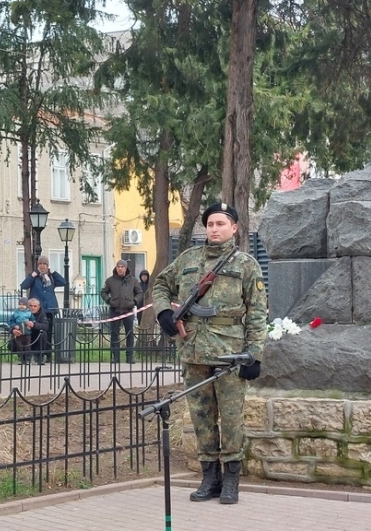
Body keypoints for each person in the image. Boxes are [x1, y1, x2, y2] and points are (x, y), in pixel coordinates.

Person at [152, 202, 266, 505]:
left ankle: (231, 479)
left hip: (229, 354)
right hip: (193, 352)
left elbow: (257, 313)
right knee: (201, 418)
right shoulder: (188, 259)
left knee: (230, 419)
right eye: (210, 224)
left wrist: (254, 354)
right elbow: (161, 284)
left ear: (234, 228)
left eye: (220, 223)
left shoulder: (246, 264)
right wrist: (164, 313)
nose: (214, 229)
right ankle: (209, 477)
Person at [20, 255, 64, 364]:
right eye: (40, 264)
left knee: (48, 333)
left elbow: (63, 282)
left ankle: (47, 355)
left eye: (45, 264)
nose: (42, 266)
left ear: (48, 266)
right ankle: (33, 354)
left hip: (50, 309)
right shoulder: (34, 278)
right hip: (36, 310)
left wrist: (53, 272)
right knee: (34, 332)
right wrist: (32, 275)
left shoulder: (51, 277)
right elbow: (24, 285)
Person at [100, 259, 143, 364]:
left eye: (122, 267)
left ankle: (130, 357)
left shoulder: (133, 281)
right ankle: (115, 357)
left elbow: (140, 293)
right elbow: (103, 292)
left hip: (128, 310)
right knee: (114, 334)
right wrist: (109, 300)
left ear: (126, 268)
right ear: (116, 268)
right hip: (115, 310)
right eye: (118, 266)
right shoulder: (110, 281)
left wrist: (134, 302)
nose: (120, 268)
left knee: (130, 333)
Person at [8, 297, 34, 363]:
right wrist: (14, 326)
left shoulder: (29, 313)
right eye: (20, 304)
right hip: (19, 332)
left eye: (23, 305)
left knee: (27, 345)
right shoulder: (16, 313)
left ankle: (27, 358)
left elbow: (33, 320)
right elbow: (11, 321)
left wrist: (30, 325)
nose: (21, 306)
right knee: (19, 346)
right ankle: (21, 358)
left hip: (27, 333)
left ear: (26, 305)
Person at [26, 298, 50, 366]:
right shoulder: (22, 312)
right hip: (25, 334)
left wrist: (34, 325)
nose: (32, 308)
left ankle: (39, 356)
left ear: (38, 307)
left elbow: (45, 326)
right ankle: (24, 356)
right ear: (28, 306)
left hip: (36, 335)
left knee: (43, 333)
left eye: (35, 306)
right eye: (31, 306)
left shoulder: (42, 314)